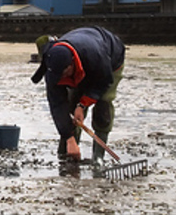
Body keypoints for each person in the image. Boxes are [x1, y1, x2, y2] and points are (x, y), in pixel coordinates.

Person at [31, 26, 125, 165]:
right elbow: (57, 105)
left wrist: (83, 104)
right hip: (83, 57)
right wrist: (69, 137)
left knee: (102, 109)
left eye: (63, 75)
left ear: (71, 65)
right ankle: (67, 153)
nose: (61, 78)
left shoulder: (95, 55)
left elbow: (103, 82)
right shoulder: (53, 70)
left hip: (110, 63)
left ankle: (98, 157)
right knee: (71, 108)